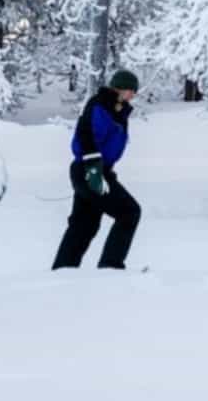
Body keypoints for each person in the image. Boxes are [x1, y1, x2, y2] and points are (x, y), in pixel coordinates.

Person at [52, 70, 142, 270]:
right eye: (130, 90)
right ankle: (111, 265)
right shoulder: (101, 106)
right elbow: (87, 138)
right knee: (129, 212)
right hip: (90, 170)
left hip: (96, 170)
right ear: (118, 88)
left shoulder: (116, 109)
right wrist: (94, 172)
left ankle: (63, 270)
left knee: (84, 225)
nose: (133, 95)